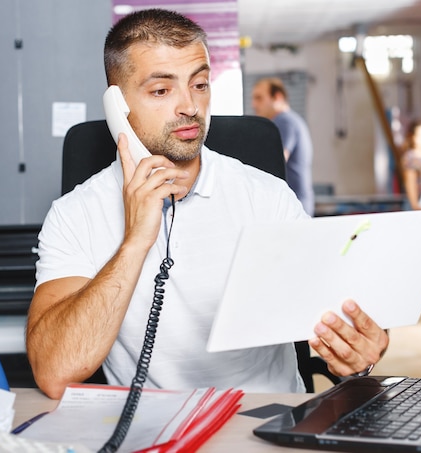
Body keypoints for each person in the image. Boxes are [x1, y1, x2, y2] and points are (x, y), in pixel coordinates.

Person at [26, 8, 389, 400]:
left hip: (266, 420)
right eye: (162, 90)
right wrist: (135, 241)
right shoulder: (74, 214)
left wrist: (361, 351)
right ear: (117, 105)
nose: (190, 106)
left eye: (199, 84)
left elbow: (346, 308)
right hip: (151, 430)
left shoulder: (266, 196)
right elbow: (54, 372)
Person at [251, 77, 315, 216]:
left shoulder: (284, 121)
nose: (254, 104)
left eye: (259, 98)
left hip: (292, 205)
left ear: (277, 97)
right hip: (297, 202)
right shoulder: (292, 120)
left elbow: (274, 163)